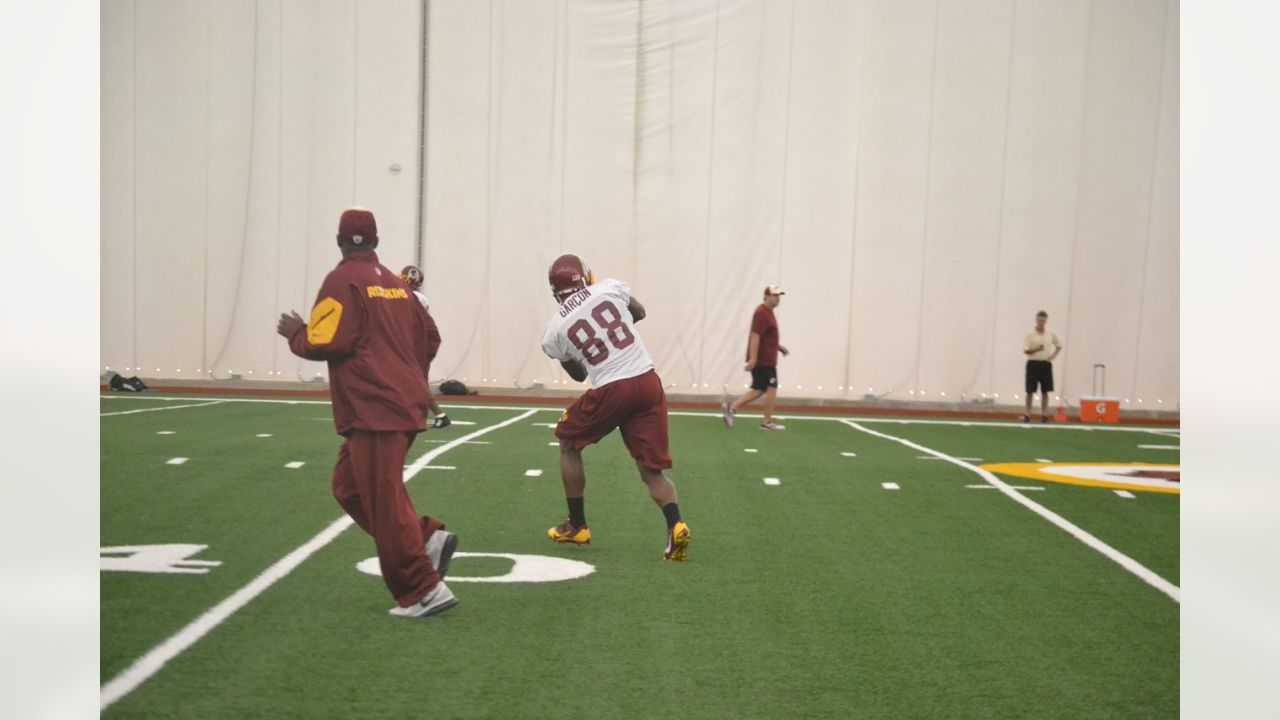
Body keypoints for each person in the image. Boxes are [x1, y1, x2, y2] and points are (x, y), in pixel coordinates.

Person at [276, 207, 459, 618]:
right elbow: (430, 337)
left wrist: (296, 335)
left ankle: (423, 589)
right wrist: (408, 374)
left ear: (340, 240)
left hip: (374, 406)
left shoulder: (341, 280)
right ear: (375, 239)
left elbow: (327, 340)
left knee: (383, 501)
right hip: (400, 401)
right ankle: (426, 539)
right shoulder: (396, 284)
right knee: (350, 487)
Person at [539, 253, 691, 561]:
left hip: (612, 387)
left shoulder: (555, 328)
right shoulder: (608, 288)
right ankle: (675, 525)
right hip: (648, 381)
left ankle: (577, 524)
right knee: (651, 470)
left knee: (568, 442)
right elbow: (639, 312)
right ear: (585, 277)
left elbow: (579, 374)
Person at [722, 286, 790, 430]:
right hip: (763, 360)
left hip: (766, 358)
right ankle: (767, 421)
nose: (778, 298)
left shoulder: (768, 313)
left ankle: (732, 408)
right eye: (775, 295)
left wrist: (779, 347)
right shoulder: (761, 313)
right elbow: (755, 336)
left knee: (759, 389)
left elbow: (767, 338)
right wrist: (753, 359)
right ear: (766, 296)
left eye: (779, 295)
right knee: (772, 387)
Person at [399, 265, 451, 429]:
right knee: (411, 382)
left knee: (417, 382)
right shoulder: (409, 296)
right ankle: (425, 416)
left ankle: (438, 415)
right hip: (413, 344)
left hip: (416, 345)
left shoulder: (416, 298)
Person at [1022, 310, 1063, 423]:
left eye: (1043, 320)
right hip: (1033, 363)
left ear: (1046, 321)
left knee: (1045, 390)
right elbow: (1026, 351)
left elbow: (1059, 346)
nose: (1041, 322)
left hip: (1045, 364)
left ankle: (1044, 414)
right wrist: (1036, 349)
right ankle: (1027, 414)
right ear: (1036, 320)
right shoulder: (1030, 334)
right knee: (1030, 390)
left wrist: (1053, 356)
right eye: (1040, 320)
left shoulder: (1050, 334)